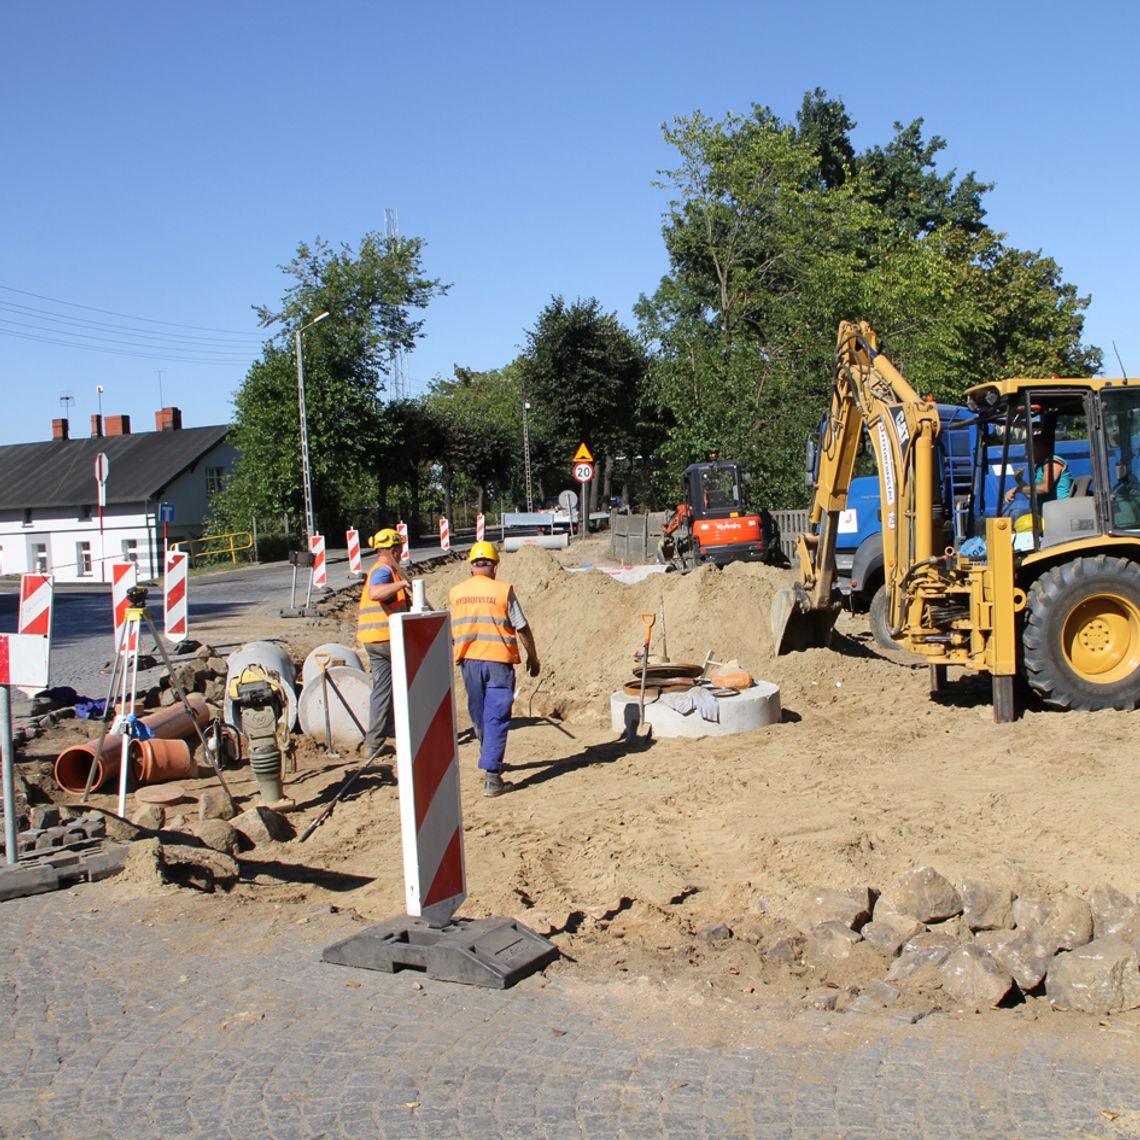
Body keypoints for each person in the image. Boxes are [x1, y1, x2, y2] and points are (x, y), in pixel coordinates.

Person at [447, 541, 540, 797]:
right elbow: (521, 627)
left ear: (471, 567)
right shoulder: (503, 591)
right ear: (495, 566)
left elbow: (451, 629)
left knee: (479, 715)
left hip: (469, 662)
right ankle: (492, 778)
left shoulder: (456, 593)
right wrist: (533, 657)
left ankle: (488, 755)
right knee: (496, 716)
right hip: (498, 662)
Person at [356, 528, 409, 761]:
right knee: (409, 685)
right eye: (399, 550)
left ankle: (375, 742)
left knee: (382, 690)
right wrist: (402, 586)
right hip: (387, 638)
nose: (400, 555)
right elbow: (376, 592)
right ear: (394, 550)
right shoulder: (384, 571)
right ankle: (407, 732)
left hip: (373, 640)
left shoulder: (381, 569)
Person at [1004, 432, 1073, 512]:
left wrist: (1018, 489)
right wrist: (1020, 481)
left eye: (1029, 449)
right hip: (1047, 512)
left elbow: (1044, 488)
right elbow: (1035, 494)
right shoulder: (1040, 467)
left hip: (1059, 512)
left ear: (1041, 447)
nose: (1026, 454)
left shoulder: (1053, 462)